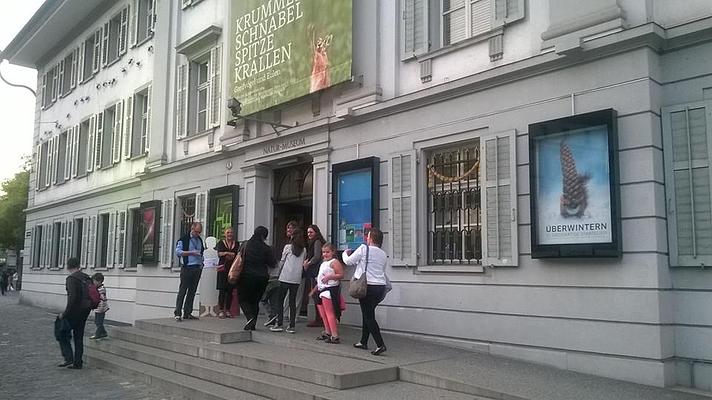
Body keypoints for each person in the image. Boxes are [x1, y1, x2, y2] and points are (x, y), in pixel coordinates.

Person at [342, 228, 388, 355]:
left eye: (367, 236)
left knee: (369, 316)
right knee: (368, 313)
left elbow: (348, 261)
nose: (366, 239)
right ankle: (363, 341)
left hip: (367, 286)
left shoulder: (364, 249)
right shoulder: (383, 254)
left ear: (371, 238)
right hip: (380, 287)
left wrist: (345, 253)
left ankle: (380, 344)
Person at [234, 226, 275, 330]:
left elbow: (239, 258)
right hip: (262, 278)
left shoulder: (245, 244)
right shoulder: (266, 248)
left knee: (243, 299)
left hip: (246, 276)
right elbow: (272, 264)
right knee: (255, 301)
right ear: (263, 236)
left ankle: (250, 318)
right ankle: (252, 325)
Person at [57, 257, 92, 369]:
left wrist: (65, 314)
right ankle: (78, 362)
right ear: (78, 265)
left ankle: (68, 358)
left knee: (61, 333)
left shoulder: (71, 279)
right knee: (78, 337)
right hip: (85, 311)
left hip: (74, 312)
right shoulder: (86, 277)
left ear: (68, 266)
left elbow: (72, 298)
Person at [271, 228, 306, 333]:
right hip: (296, 279)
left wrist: (276, 274)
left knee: (280, 300)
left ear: (292, 236)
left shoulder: (287, 247)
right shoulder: (304, 250)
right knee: (292, 302)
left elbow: (282, 262)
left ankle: (279, 323)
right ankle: (291, 326)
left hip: (285, 277)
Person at [310, 243, 344, 343]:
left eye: (327, 252)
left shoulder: (334, 262)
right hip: (321, 289)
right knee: (323, 314)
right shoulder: (323, 263)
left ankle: (334, 335)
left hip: (329, 290)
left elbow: (341, 274)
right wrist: (314, 290)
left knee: (329, 313)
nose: (325, 254)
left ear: (333, 252)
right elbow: (320, 279)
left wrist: (330, 277)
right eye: (323, 252)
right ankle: (327, 331)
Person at [174, 222, 205, 321]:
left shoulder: (199, 240)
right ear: (192, 229)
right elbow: (178, 252)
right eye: (196, 231)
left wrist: (202, 263)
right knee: (183, 290)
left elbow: (201, 253)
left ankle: (188, 312)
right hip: (187, 267)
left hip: (197, 268)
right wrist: (191, 252)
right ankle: (178, 313)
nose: (198, 234)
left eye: (199, 232)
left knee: (192, 291)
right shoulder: (184, 239)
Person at [303, 224, 326, 327]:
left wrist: (308, 263)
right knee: (317, 294)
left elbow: (317, 256)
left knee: (317, 294)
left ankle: (319, 319)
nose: (309, 234)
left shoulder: (316, 242)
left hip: (316, 271)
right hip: (315, 271)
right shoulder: (314, 241)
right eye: (308, 232)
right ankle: (320, 318)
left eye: (311, 232)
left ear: (316, 232)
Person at [216, 227, 238, 319]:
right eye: (228, 232)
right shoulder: (221, 243)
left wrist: (230, 254)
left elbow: (238, 254)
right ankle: (221, 310)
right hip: (223, 269)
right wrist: (226, 253)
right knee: (222, 290)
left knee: (230, 291)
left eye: (231, 233)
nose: (230, 234)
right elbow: (219, 253)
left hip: (232, 269)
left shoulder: (236, 244)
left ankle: (228, 310)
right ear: (225, 234)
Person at [90, 272, 109, 339]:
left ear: (99, 281)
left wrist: (101, 307)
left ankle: (97, 334)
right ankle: (103, 332)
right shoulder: (98, 288)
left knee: (99, 322)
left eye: (95, 281)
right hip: (98, 307)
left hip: (101, 308)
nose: (94, 282)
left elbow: (103, 299)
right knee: (97, 321)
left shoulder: (101, 289)